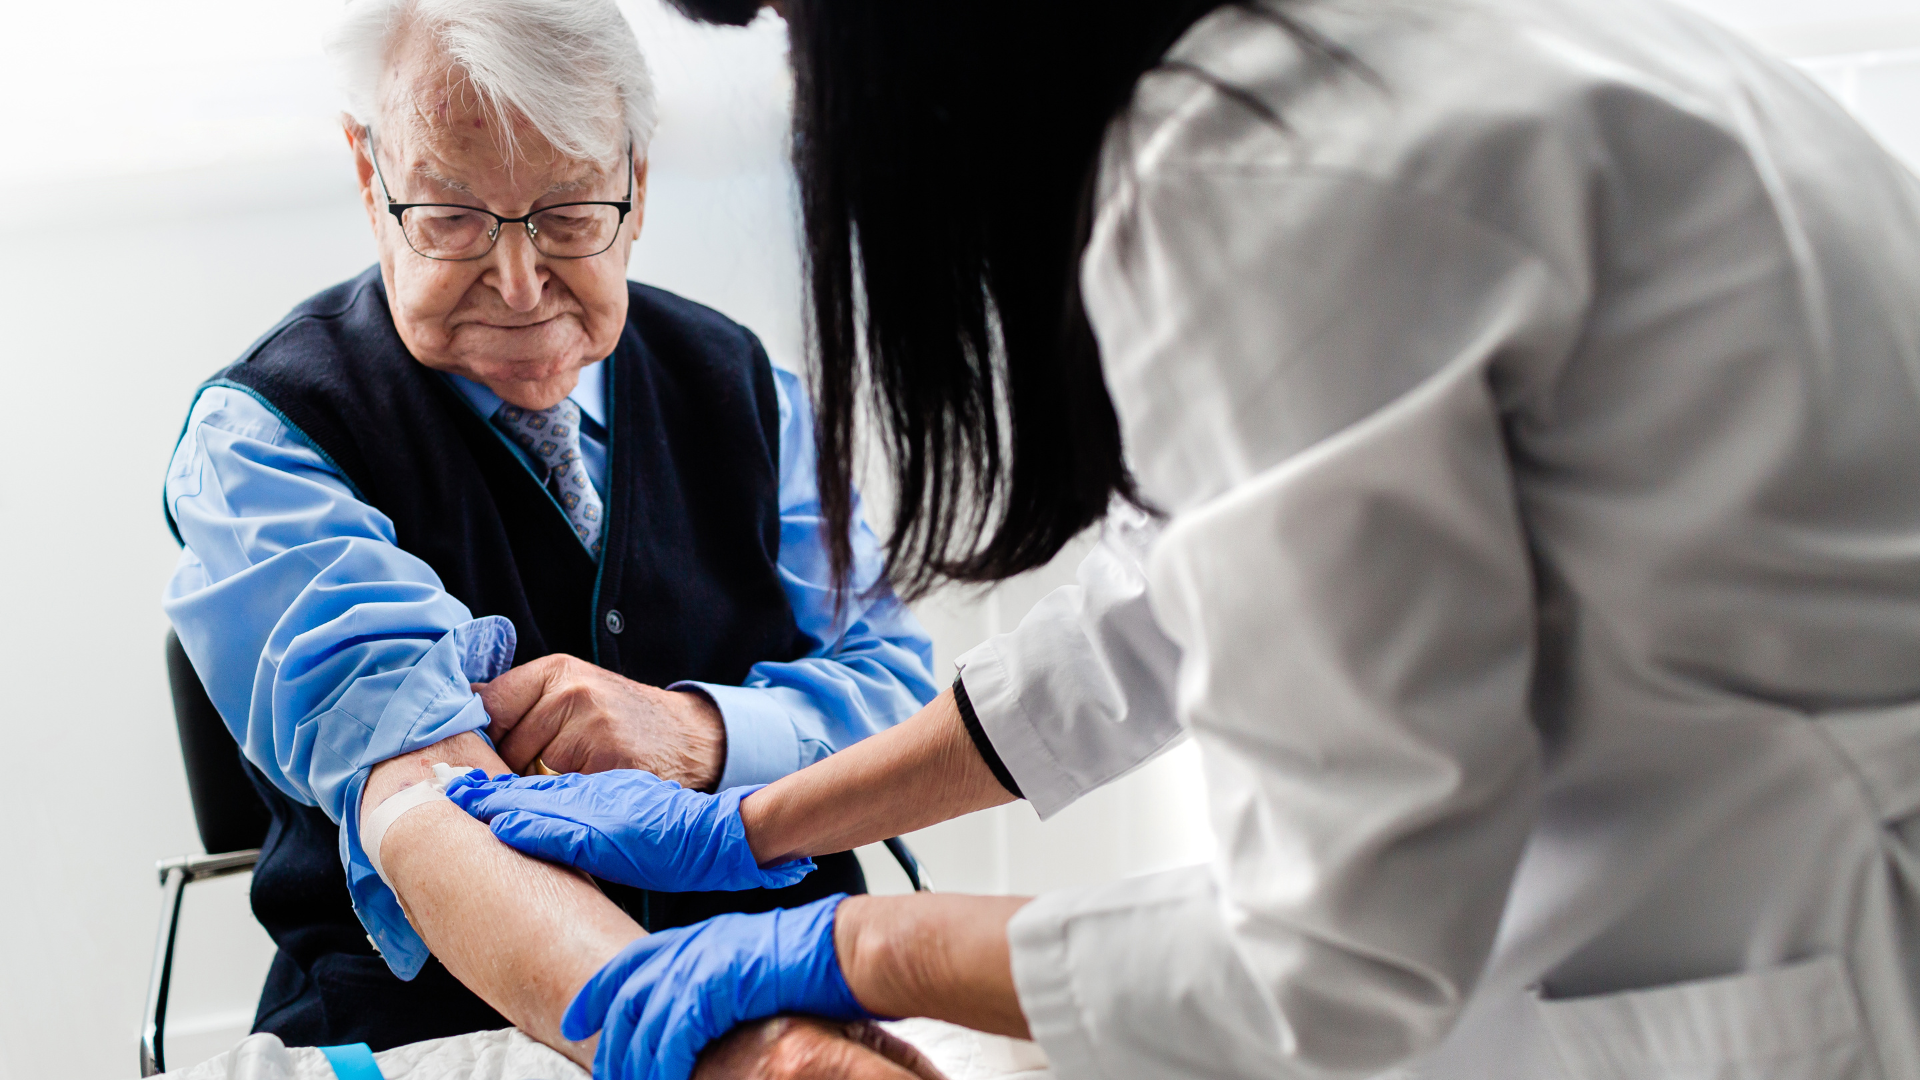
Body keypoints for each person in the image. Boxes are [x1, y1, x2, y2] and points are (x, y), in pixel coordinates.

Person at [445, 0, 1920, 1078]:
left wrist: (857, 948)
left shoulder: (1263, 172)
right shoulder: (1380, 67)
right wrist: (760, 826)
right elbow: (1178, 592)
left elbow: (1336, 969)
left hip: (1812, 977)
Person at [160, 0, 936, 1052]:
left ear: (638, 183)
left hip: (797, 994)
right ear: (368, 174)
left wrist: (701, 738)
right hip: (439, 1039)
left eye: (571, 215)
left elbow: (898, 690)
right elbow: (423, 791)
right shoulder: (266, 439)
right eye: (452, 218)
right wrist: (688, 1037)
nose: (519, 285)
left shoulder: (753, 393)